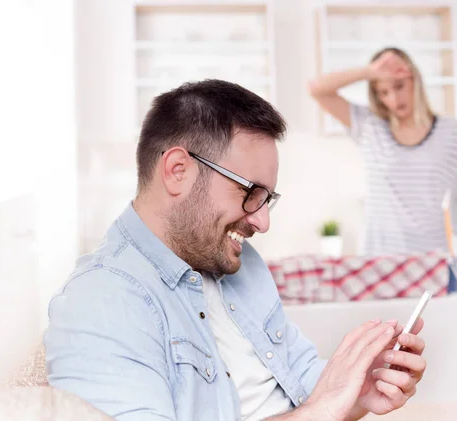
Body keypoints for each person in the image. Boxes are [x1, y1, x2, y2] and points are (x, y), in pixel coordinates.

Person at [44, 79, 427, 421]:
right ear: (178, 171)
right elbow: (318, 408)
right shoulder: (100, 301)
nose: (263, 222)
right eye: (250, 193)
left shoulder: (241, 267)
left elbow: (302, 379)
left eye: (267, 199)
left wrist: (360, 389)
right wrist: (321, 410)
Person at [308, 47, 457, 256]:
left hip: (431, 258)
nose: (394, 98)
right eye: (384, 92)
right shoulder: (369, 126)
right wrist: (370, 72)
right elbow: (317, 90)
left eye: (399, 86)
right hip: (378, 258)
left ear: (415, 81)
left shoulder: (452, 132)